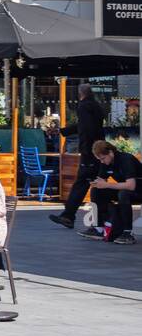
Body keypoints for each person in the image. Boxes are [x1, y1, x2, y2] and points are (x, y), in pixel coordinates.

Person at [50, 84, 108, 229]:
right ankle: (101, 218)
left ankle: (69, 216)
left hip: (91, 152)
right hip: (98, 149)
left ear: (79, 93)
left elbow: (86, 128)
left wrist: (88, 150)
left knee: (82, 183)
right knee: (94, 183)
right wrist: (63, 131)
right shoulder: (96, 105)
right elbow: (84, 125)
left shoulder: (83, 106)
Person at [78, 139, 138, 244]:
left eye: (103, 158)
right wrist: (95, 182)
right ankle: (98, 228)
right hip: (125, 189)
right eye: (99, 159)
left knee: (123, 194)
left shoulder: (126, 159)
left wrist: (107, 185)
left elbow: (131, 185)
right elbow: (101, 180)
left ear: (110, 152)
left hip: (138, 190)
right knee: (96, 191)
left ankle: (127, 232)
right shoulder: (106, 162)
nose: (102, 161)